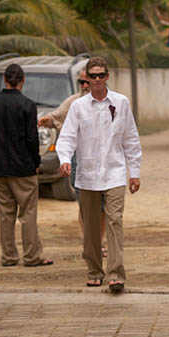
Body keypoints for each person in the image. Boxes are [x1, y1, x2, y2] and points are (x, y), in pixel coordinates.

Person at [56, 56, 141, 293]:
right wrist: (64, 159)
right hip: (87, 175)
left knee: (114, 221)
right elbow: (67, 137)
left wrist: (134, 172)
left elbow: (130, 139)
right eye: (91, 76)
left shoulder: (121, 103)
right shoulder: (78, 107)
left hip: (114, 174)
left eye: (100, 75)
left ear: (107, 76)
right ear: (86, 78)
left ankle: (116, 274)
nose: (96, 80)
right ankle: (94, 271)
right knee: (92, 228)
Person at [0, 63, 53, 268]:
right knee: (28, 213)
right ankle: (32, 257)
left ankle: (9, 257)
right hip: (23, 168)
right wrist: (35, 162)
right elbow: (32, 139)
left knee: (5, 214)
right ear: (23, 80)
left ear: (4, 79)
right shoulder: (27, 105)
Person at [39, 70, 107, 254]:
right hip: (79, 158)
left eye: (89, 80)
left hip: (102, 160)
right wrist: (47, 120)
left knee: (102, 205)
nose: (86, 85)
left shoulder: (111, 102)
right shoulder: (74, 102)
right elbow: (56, 116)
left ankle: (98, 242)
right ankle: (90, 243)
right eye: (82, 82)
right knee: (84, 202)